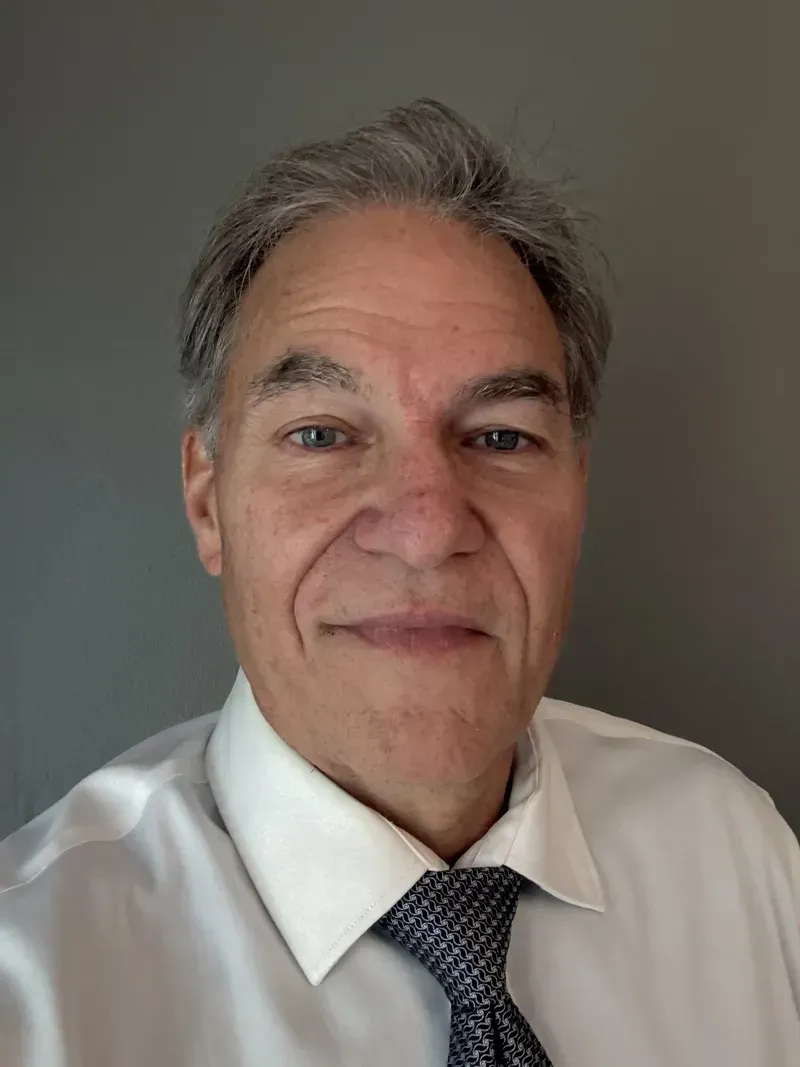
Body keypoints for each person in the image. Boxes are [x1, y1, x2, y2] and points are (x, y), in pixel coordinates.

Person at [1, 99, 798, 1067]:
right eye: (321, 435)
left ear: (576, 494)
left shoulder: (739, 856)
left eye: (501, 436)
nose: (425, 532)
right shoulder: (32, 986)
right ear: (208, 501)